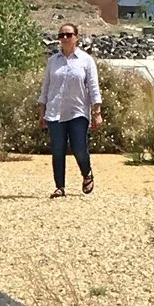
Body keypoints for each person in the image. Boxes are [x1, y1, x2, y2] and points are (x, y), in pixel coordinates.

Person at [40, 21, 102, 198]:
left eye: (69, 35)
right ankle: (59, 187)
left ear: (77, 37)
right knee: (58, 150)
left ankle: (86, 173)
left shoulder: (86, 60)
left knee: (79, 147)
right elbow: (46, 88)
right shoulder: (53, 62)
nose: (65, 38)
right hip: (55, 112)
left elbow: (93, 88)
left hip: (78, 111)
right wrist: (42, 112)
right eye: (62, 35)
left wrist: (97, 113)